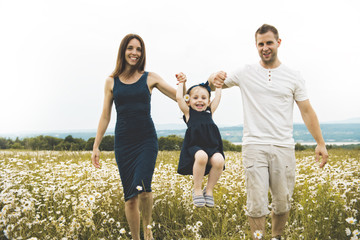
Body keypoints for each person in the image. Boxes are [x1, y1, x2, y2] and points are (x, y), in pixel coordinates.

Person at [208, 24, 329, 240]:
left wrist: (320, 143)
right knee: (256, 202)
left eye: (269, 43)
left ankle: (277, 236)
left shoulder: (293, 76)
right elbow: (216, 83)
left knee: (283, 201)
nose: (265, 47)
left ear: (278, 43)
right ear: (256, 45)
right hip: (254, 145)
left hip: (283, 145)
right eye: (261, 44)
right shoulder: (245, 72)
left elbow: (307, 111)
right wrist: (212, 77)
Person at [91, 34, 185, 240]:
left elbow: (178, 97)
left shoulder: (150, 77)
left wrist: (183, 85)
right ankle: (135, 237)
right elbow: (105, 115)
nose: (135, 53)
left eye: (139, 49)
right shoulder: (111, 81)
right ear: (123, 51)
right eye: (131, 48)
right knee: (130, 197)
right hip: (123, 143)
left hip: (146, 141)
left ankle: (148, 230)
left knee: (143, 188)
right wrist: (96, 145)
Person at [175, 72, 225, 208]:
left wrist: (219, 87)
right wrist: (181, 83)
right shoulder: (188, 113)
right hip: (194, 147)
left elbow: (218, 98)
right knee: (202, 156)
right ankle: (197, 189)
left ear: (209, 101)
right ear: (189, 101)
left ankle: (208, 190)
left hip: (212, 147)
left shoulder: (210, 112)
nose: (200, 101)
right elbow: (179, 98)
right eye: (195, 98)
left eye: (204, 98)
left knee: (219, 160)